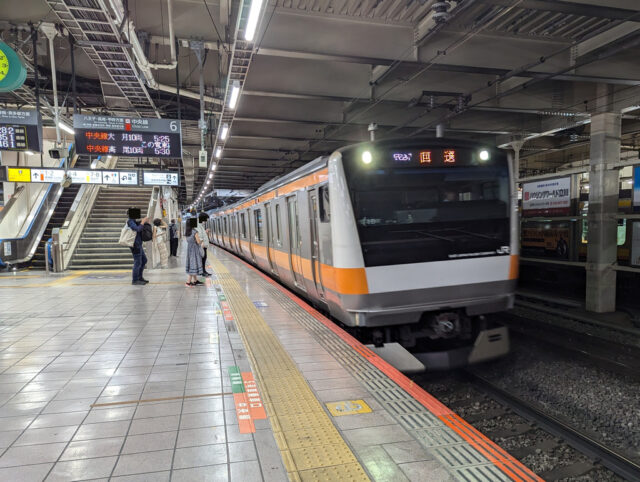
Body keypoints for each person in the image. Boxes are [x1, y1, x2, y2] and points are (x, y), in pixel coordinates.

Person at [127, 208, 149, 286]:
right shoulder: (130, 221)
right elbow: (137, 229)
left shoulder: (133, 221)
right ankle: (135, 280)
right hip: (135, 245)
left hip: (138, 244)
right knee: (138, 262)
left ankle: (140, 277)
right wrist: (142, 222)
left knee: (144, 260)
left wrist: (143, 222)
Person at [185, 220, 204, 286]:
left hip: (189, 249)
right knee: (193, 265)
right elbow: (198, 242)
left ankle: (195, 280)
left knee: (192, 263)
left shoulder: (187, 232)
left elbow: (188, 241)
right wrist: (202, 241)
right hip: (195, 249)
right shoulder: (195, 232)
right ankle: (188, 282)